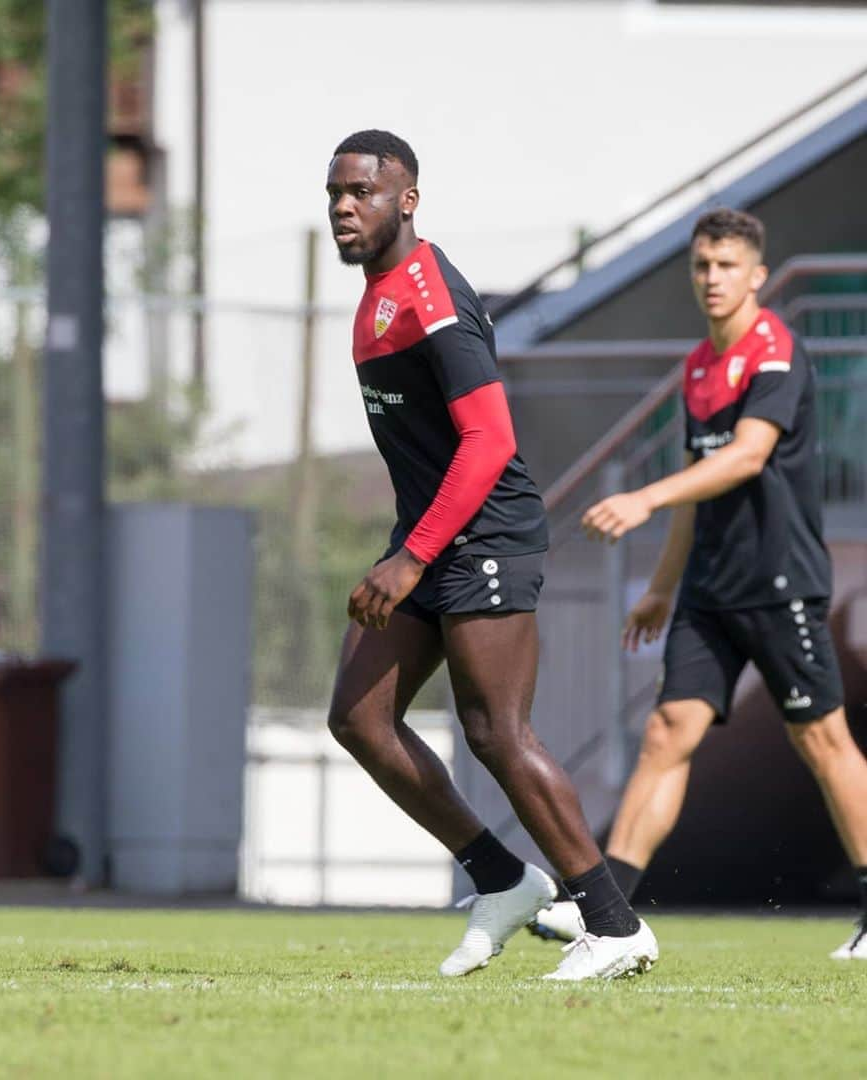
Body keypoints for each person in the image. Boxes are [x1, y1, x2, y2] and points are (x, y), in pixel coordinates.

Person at [324, 129, 657, 981]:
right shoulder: (377, 297)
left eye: (362, 191)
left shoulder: (432, 295)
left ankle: (615, 925)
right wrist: (408, 548)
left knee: (497, 732)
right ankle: (502, 879)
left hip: (485, 533)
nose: (343, 207)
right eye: (334, 194)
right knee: (359, 720)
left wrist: (411, 559)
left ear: (408, 199)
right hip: (431, 535)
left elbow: (489, 437)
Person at [531, 208, 867, 961]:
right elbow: (696, 489)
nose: (711, 279)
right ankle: (608, 914)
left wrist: (644, 497)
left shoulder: (775, 351)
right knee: (665, 734)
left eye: (725, 266)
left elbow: (746, 458)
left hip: (779, 584)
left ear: (756, 275)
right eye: (701, 267)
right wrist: (660, 586)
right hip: (708, 593)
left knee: (822, 740)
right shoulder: (696, 368)